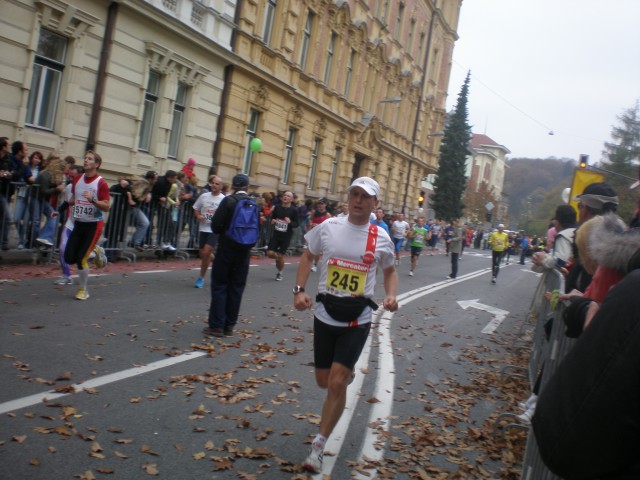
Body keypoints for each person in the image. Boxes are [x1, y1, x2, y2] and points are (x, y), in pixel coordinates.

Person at [292, 176, 398, 474]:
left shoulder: (381, 237)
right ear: (347, 197)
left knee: (336, 383)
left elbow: (389, 271)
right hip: (325, 314)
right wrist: (299, 290)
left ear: (375, 203)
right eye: (355, 194)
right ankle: (341, 378)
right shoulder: (328, 227)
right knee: (324, 381)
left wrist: (390, 295)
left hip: (358, 318)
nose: (359, 200)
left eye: (366, 196)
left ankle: (318, 446)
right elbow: (307, 255)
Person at [202, 173, 258, 338]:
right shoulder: (254, 204)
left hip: (227, 247)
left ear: (233, 185)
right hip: (244, 251)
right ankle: (229, 325)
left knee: (220, 285)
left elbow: (216, 225)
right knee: (237, 287)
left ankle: (217, 325)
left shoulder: (228, 201)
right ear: (247, 186)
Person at [63, 151, 110, 300]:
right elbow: (72, 199)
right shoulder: (77, 179)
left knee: (81, 259)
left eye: (89, 159)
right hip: (79, 223)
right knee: (69, 257)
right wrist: (61, 207)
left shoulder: (101, 183)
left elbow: (107, 206)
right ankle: (94, 251)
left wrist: (93, 201)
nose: (85, 160)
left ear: (96, 164)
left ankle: (83, 290)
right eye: (85, 158)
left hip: (94, 225)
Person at [52, 165, 84, 285]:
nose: (70, 179)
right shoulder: (69, 187)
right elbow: (66, 202)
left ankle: (96, 251)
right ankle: (66, 275)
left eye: (73, 176)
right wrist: (58, 211)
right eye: (69, 176)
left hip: (84, 225)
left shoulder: (89, 188)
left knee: (82, 253)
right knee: (62, 247)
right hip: (71, 223)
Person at [192, 175, 225, 288]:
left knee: (206, 252)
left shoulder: (223, 199)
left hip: (214, 230)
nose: (214, 185)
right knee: (203, 254)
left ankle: (201, 278)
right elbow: (196, 208)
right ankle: (217, 261)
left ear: (221, 186)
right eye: (213, 183)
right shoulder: (204, 196)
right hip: (203, 228)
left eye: (217, 184)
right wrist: (199, 216)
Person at [267, 190, 299, 281]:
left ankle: (280, 273)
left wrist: (290, 222)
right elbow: (273, 217)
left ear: (291, 199)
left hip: (286, 237)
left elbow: (297, 224)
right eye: (284, 195)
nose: (285, 197)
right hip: (276, 235)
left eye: (288, 196)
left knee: (281, 256)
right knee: (269, 253)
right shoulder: (277, 207)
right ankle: (278, 257)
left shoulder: (294, 210)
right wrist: (273, 221)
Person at [151, 170, 178, 251]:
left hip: (165, 205)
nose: (175, 180)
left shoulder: (170, 184)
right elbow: (154, 193)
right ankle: (159, 242)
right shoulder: (160, 182)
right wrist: (159, 198)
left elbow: (167, 195)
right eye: (174, 178)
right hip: (158, 204)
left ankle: (166, 242)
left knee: (170, 224)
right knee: (162, 224)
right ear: (169, 178)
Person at [309, 198, 331, 272]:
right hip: (313, 233)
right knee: (311, 249)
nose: (320, 205)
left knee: (318, 251)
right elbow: (310, 219)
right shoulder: (314, 212)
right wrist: (311, 224)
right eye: (319, 204)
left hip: (322, 234)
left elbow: (330, 225)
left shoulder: (327, 215)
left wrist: (319, 226)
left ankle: (315, 265)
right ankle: (310, 263)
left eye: (322, 204)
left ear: (325, 205)